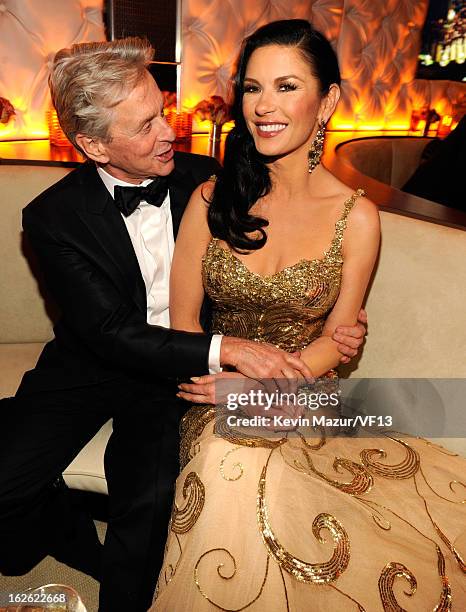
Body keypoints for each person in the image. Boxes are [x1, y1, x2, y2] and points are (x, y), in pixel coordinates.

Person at [0, 38, 365, 612]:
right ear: (94, 144)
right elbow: (109, 333)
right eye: (145, 126)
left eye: (162, 112)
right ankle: (70, 543)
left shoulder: (204, 178)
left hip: (182, 369)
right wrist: (232, 350)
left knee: (147, 500)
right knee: (6, 488)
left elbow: (283, 243)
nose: (168, 132)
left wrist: (329, 319)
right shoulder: (52, 217)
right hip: (92, 364)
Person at [151, 20, 466, 611]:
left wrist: (262, 389)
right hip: (208, 387)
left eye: (286, 87)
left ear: (328, 102)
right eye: (251, 88)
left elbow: (337, 338)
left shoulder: (358, 216)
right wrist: (225, 383)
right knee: (234, 458)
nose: (263, 107)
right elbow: (183, 325)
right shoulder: (210, 200)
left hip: (307, 390)